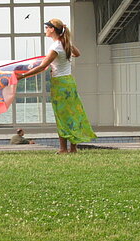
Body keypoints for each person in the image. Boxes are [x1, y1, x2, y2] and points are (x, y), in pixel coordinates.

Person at [16, 18, 95, 153]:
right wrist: (67, 40)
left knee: (61, 116)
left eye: (47, 28)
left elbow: (42, 67)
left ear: (52, 29)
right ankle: (73, 148)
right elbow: (78, 53)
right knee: (72, 114)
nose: (45, 30)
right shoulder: (64, 44)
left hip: (59, 84)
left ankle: (63, 148)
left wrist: (22, 76)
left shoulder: (56, 47)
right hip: (69, 82)